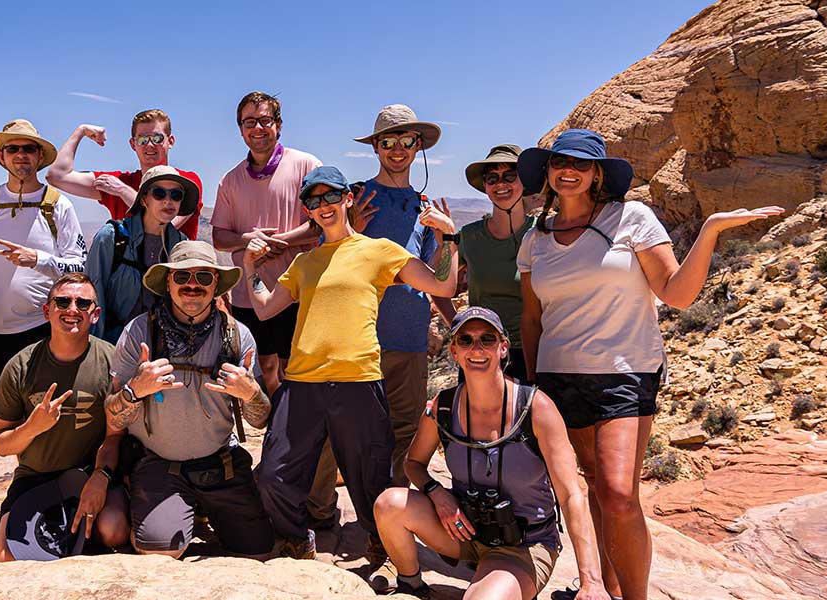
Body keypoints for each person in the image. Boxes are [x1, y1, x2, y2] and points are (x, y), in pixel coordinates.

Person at [516, 129, 783, 598]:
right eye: (561, 163)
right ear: (548, 171)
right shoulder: (535, 239)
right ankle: (608, 588)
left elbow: (677, 294)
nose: (570, 171)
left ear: (598, 173)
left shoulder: (631, 218)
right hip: (559, 377)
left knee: (619, 495)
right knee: (595, 486)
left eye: (582, 164)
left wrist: (709, 230)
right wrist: (535, 384)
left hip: (625, 371)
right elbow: (532, 318)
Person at [242, 165, 458, 560]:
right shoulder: (305, 263)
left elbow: (442, 285)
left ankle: (381, 542)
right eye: (313, 200)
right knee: (273, 474)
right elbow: (266, 307)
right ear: (308, 209)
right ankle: (296, 536)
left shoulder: (379, 250)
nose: (323, 205)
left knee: (370, 477)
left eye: (330, 196)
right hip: (302, 385)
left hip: (358, 381)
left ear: (347, 199)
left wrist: (448, 237)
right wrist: (250, 268)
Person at [372, 308, 606, 599]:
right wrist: (436, 493)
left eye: (487, 339)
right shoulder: (442, 407)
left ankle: (509, 582)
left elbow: (572, 494)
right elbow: (414, 463)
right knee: (389, 504)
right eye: (466, 340)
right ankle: (411, 586)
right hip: (465, 532)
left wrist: (591, 581)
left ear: (503, 347)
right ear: (454, 351)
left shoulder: (535, 409)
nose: (477, 349)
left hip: (521, 545)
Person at [306, 104, 445, 531]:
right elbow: (323, 247)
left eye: (407, 142)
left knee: (405, 435)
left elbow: (432, 275)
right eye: (389, 142)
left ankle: (394, 523)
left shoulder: (423, 206)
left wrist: (444, 235)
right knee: (337, 430)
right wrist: (355, 229)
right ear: (376, 147)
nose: (398, 150)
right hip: (358, 337)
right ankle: (316, 511)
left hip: (409, 337)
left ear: (417, 146)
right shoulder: (355, 196)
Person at [104, 240, 277, 559]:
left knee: (258, 549)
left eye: (203, 277)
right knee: (158, 550)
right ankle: (159, 504)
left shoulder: (238, 336)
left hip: (218, 463)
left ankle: (200, 507)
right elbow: (113, 417)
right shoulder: (139, 333)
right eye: (182, 277)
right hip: (159, 462)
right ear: (167, 283)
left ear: (216, 283)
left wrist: (250, 393)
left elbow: (260, 418)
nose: (192, 285)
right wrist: (134, 391)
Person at [0, 273, 128, 561]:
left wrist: (100, 478)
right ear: (47, 310)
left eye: (82, 303)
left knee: (114, 530)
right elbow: (1, 444)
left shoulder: (111, 362)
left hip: (90, 473)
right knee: (5, 558)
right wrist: (32, 428)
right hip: (36, 478)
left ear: (95, 314)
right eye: (62, 301)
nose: (72, 309)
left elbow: (115, 436)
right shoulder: (21, 367)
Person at [211, 90, 324, 399]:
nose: (257, 129)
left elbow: (322, 223)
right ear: (240, 128)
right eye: (250, 122)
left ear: (279, 124)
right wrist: (249, 240)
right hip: (250, 294)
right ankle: (277, 418)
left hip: (298, 290)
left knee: (294, 365)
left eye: (264, 120)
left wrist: (281, 241)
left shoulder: (306, 166)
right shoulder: (230, 180)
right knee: (264, 364)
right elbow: (219, 236)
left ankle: (295, 422)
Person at [0, 118, 87, 377]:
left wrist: (38, 259)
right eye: (13, 149)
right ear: (1, 155)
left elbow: (79, 266)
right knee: (8, 413)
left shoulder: (57, 204)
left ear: (39, 155)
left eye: (28, 149)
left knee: (49, 409)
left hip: (46, 327)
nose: (20, 155)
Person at [430, 144, 535, 380]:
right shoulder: (470, 236)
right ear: (485, 186)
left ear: (525, 182)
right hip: (480, 350)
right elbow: (436, 284)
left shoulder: (543, 233)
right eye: (492, 178)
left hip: (534, 352)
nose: (501, 184)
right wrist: (459, 325)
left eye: (510, 176)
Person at [45, 109, 204, 239]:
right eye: (142, 139)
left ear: (170, 141)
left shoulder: (186, 182)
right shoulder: (121, 181)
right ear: (133, 144)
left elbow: (164, 225)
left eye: (157, 138)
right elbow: (57, 176)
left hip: (177, 275)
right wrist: (81, 131)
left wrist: (122, 191)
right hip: (127, 276)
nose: (149, 145)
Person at [85, 165, 195, 342]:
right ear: (144, 199)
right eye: (159, 193)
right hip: (114, 343)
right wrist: (95, 347)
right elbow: (92, 294)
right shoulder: (113, 237)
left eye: (176, 195)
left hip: (162, 347)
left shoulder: (181, 245)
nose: (168, 201)